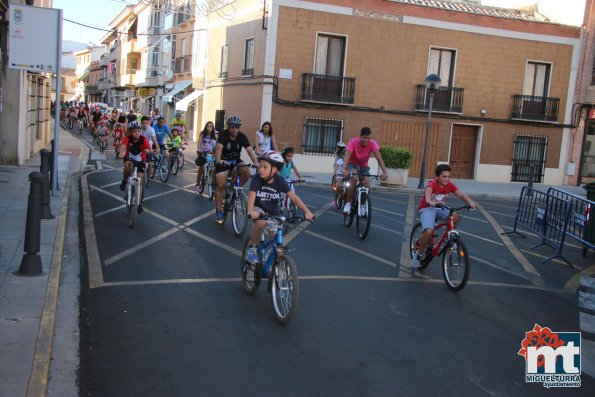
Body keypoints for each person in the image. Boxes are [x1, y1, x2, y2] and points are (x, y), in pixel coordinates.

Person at [245, 151, 314, 264]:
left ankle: (277, 270)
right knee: (261, 222)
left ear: (275, 169)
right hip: (259, 209)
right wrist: (250, 211)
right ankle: (252, 249)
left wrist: (307, 212)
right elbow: (252, 195)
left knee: (278, 244)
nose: (261, 169)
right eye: (260, 166)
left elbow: (294, 198)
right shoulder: (257, 178)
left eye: (265, 167)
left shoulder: (280, 181)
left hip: (273, 213)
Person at [411, 164, 476, 269]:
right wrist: (429, 201)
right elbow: (428, 193)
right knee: (428, 231)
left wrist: (470, 202)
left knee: (455, 216)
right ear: (437, 177)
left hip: (441, 208)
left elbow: (461, 194)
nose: (447, 179)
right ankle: (418, 255)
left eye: (449, 176)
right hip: (427, 208)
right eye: (444, 176)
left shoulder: (449, 185)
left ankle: (447, 237)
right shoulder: (432, 184)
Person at [213, 115, 259, 224]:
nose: (235, 129)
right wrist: (218, 160)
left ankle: (235, 190)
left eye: (237, 127)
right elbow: (219, 148)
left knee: (246, 171)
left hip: (235, 161)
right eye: (232, 127)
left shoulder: (242, 136)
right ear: (228, 127)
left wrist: (256, 162)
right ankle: (219, 211)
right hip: (223, 162)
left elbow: (249, 151)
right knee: (220, 184)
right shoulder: (223, 135)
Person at [342, 127, 388, 214]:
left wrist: (385, 172)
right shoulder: (353, 142)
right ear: (360, 137)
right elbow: (347, 155)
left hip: (363, 166)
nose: (366, 140)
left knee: (367, 184)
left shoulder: (373, 143)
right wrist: (344, 168)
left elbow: (379, 158)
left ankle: (362, 206)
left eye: (368, 138)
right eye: (364, 138)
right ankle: (348, 204)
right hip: (352, 164)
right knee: (354, 177)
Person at [118, 121, 152, 214]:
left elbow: (149, 149)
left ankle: (139, 204)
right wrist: (121, 153)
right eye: (134, 131)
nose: (137, 133)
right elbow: (123, 147)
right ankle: (124, 181)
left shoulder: (143, 139)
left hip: (141, 161)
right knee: (127, 167)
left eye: (138, 131)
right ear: (130, 132)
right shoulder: (127, 138)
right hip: (129, 158)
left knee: (139, 181)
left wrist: (148, 151)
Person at [194, 121, 218, 193]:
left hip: (210, 154)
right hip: (202, 153)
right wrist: (199, 151)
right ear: (206, 127)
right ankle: (198, 185)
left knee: (212, 168)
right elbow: (199, 144)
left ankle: (212, 182)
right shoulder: (202, 134)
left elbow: (217, 145)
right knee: (201, 168)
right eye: (208, 126)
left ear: (213, 127)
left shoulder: (215, 135)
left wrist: (215, 152)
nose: (209, 128)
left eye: (211, 126)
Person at [140, 116, 160, 184]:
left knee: (150, 164)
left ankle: (148, 178)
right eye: (143, 123)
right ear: (141, 123)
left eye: (146, 123)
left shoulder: (151, 129)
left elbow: (154, 139)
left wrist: (157, 147)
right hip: (140, 148)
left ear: (149, 123)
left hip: (148, 148)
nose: (145, 124)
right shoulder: (139, 129)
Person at [333, 142, 347, 207]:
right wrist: (335, 172)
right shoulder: (339, 161)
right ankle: (335, 200)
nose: (346, 156)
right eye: (344, 155)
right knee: (338, 187)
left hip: (346, 177)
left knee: (349, 188)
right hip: (340, 176)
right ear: (342, 155)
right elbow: (336, 167)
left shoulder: (349, 162)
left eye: (347, 155)